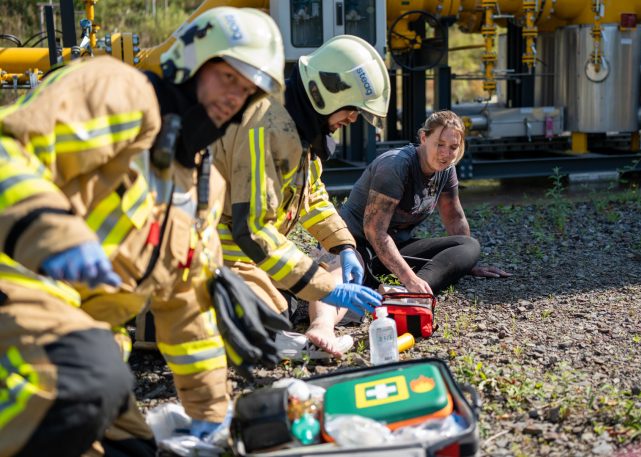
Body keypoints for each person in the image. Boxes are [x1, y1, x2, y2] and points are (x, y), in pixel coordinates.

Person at [0, 7, 287, 455]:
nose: (235, 97)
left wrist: (211, 417)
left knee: (130, 445)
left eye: (248, 91)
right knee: (84, 385)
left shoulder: (199, 190)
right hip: (16, 287)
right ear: (192, 61)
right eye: (229, 77)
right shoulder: (118, 90)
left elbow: (188, 311)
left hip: (82, 333)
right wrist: (51, 233)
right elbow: (8, 150)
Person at [213, 34, 387, 359]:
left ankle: (312, 320)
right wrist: (321, 285)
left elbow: (313, 197)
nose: (352, 119)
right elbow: (252, 232)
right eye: (351, 109)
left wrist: (344, 246)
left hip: (259, 260)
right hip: (227, 259)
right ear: (327, 93)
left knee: (339, 269)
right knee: (272, 318)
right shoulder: (268, 129)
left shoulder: (300, 129)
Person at [339, 110, 511, 295]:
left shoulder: (446, 170)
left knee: (469, 246)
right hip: (355, 246)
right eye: (439, 144)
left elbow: (454, 217)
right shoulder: (395, 165)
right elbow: (374, 231)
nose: (446, 153)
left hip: (393, 248)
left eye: (453, 147)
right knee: (347, 284)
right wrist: (409, 277)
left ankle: (410, 292)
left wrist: (466, 265)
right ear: (423, 137)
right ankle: (411, 287)